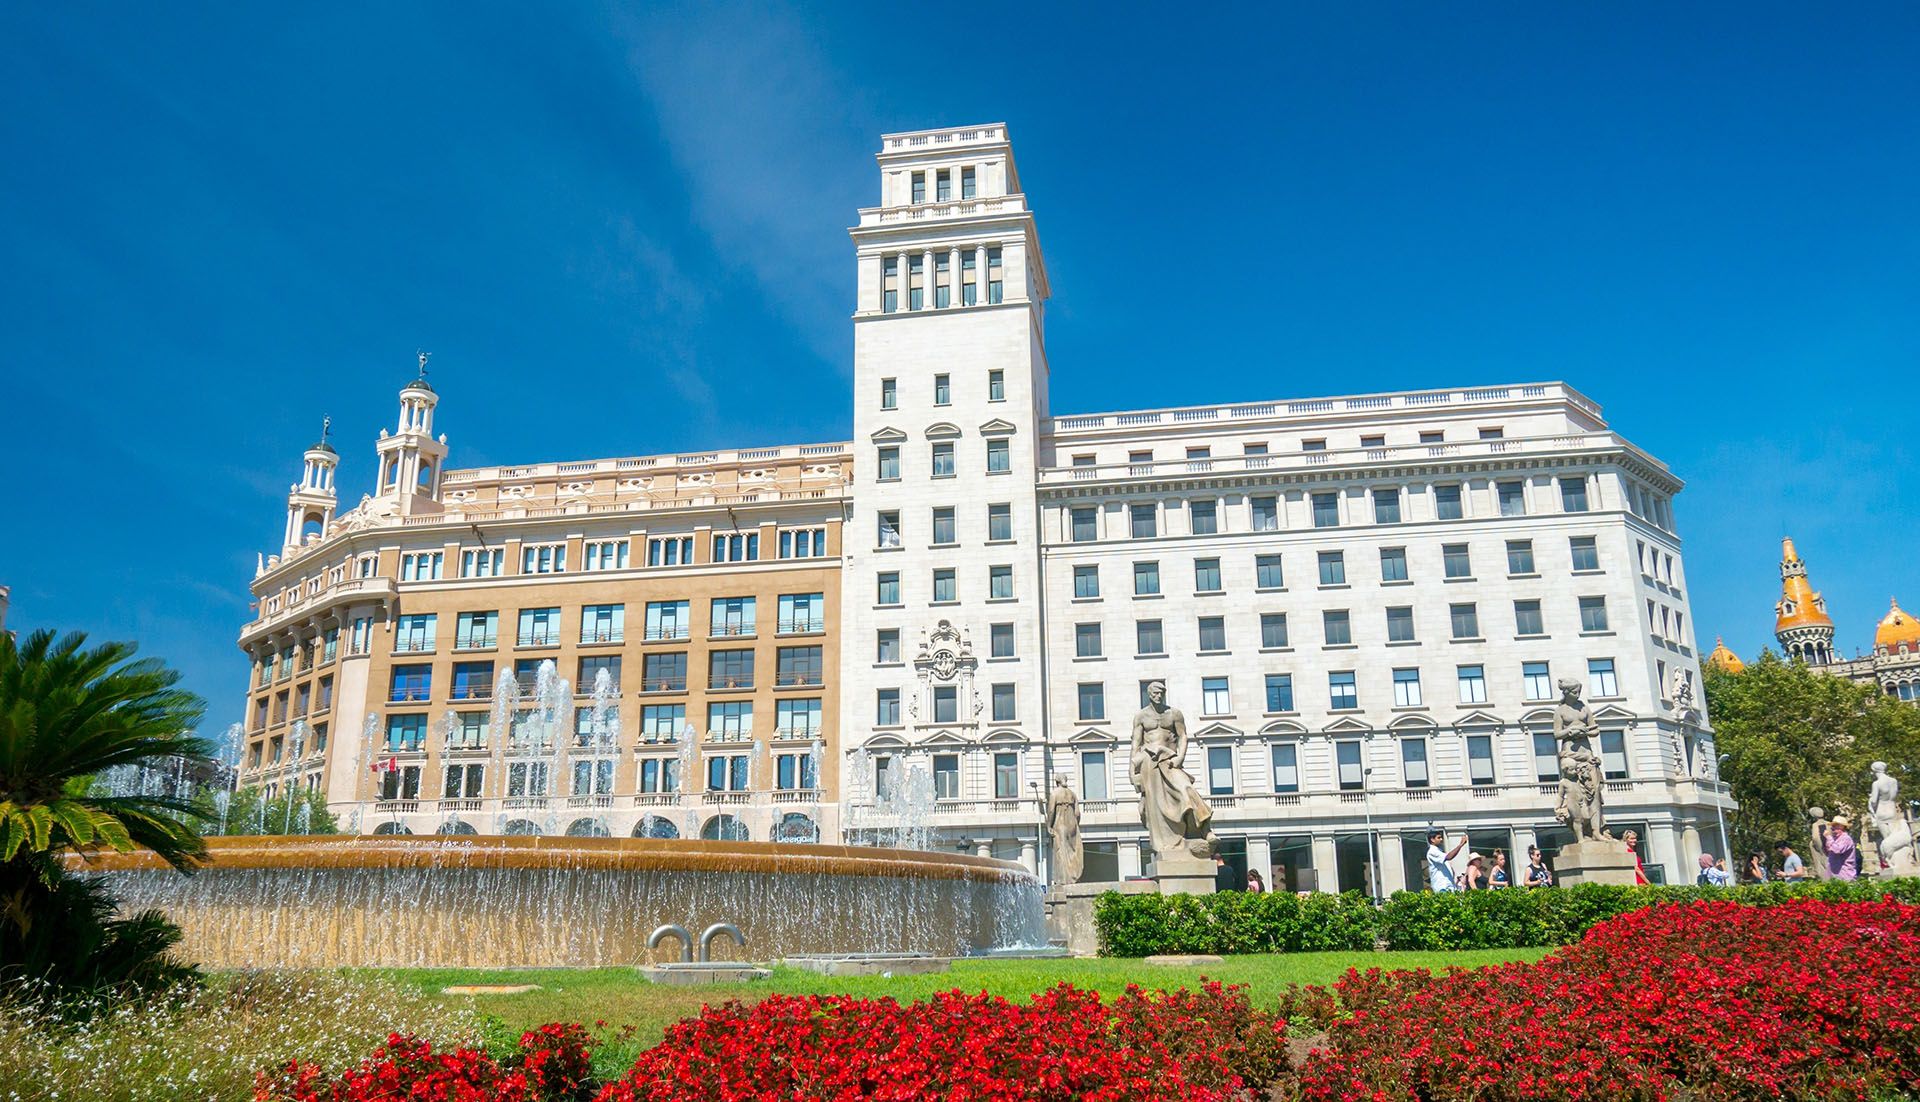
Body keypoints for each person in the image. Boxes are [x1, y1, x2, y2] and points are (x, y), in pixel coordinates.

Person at [1426, 827, 1467, 892]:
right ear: (1432, 840)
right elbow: (1449, 857)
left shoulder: (1439, 851)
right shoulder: (1432, 851)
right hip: (1441, 886)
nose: (1441, 839)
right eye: (1438, 838)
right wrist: (1460, 845)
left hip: (1448, 886)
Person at [1821, 816, 1860, 881]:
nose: (1832, 827)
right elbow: (1828, 852)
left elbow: (1838, 850)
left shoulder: (1846, 838)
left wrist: (1828, 837)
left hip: (1845, 876)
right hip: (1834, 875)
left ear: (1842, 826)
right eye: (1832, 825)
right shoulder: (1834, 839)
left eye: (1835, 825)